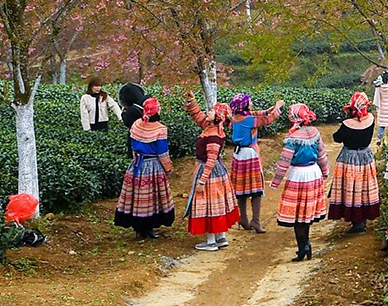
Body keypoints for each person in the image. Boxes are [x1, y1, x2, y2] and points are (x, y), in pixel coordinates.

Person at [113, 98, 175, 240]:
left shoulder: (136, 125)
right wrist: (168, 168)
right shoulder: (160, 129)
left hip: (137, 165)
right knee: (151, 197)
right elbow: (163, 153)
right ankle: (148, 228)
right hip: (153, 166)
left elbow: (133, 147)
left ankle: (139, 228)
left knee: (137, 196)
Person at [183, 97, 240, 250]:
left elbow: (211, 160)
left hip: (209, 174)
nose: (208, 111)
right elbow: (199, 116)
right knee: (218, 204)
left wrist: (202, 181)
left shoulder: (213, 135)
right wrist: (192, 102)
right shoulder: (212, 128)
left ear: (217, 117)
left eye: (212, 110)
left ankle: (210, 241)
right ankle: (221, 237)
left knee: (208, 205)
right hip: (218, 173)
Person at [275, 103, 328, 261]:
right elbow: (322, 155)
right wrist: (325, 172)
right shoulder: (314, 132)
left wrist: (276, 181)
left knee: (297, 213)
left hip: (298, 175)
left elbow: (285, 161)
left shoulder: (293, 138)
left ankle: (302, 247)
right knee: (306, 212)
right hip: (313, 172)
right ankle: (306, 244)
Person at [327, 92, 382, 233]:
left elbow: (337, 138)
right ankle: (361, 222)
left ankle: (356, 223)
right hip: (366, 157)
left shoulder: (347, 124)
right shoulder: (370, 119)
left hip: (349, 159)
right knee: (364, 188)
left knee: (351, 188)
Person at [226, 92, 281, 233]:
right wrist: (277, 109)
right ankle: (255, 221)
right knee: (256, 189)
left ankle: (243, 219)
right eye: (249, 102)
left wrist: (266, 110)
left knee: (241, 188)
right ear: (244, 105)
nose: (251, 104)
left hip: (238, 155)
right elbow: (267, 120)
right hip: (250, 154)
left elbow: (255, 114)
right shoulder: (249, 120)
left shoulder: (235, 118)